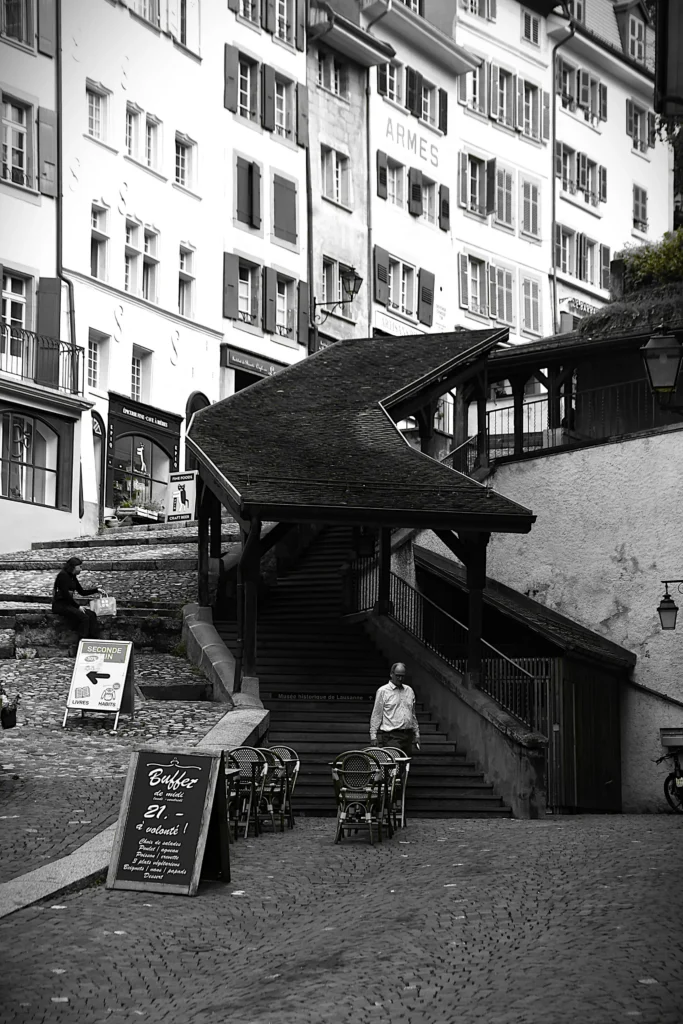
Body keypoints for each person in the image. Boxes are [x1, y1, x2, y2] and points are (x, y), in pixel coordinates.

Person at [369, 662, 420, 757]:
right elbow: (377, 714)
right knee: (394, 765)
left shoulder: (409, 690)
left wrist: (416, 734)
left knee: (405, 765)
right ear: (391, 674)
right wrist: (373, 736)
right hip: (391, 735)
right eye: (397, 676)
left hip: (407, 734)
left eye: (402, 676)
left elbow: (412, 714)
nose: (400, 679)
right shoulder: (383, 691)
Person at [52, 556, 101, 653]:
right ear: (74, 567)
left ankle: (93, 641)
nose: (81, 569)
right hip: (60, 605)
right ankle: (82, 646)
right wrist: (77, 607)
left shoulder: (72, 577)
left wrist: (96, 590)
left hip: (68, 604)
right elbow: (65, 595)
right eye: (80, 567)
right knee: (84, 617)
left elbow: (81, 592)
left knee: (91, 614)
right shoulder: (63, 575)